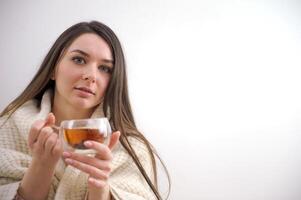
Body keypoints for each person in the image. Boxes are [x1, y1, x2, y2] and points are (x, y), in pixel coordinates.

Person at [0, 21, 170, 200]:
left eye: (105, 68)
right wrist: (41, 167)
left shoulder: (131, 149)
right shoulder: (7, 127)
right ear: (53, 69)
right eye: (79, 60)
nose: (91, 75)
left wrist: (100, 188)